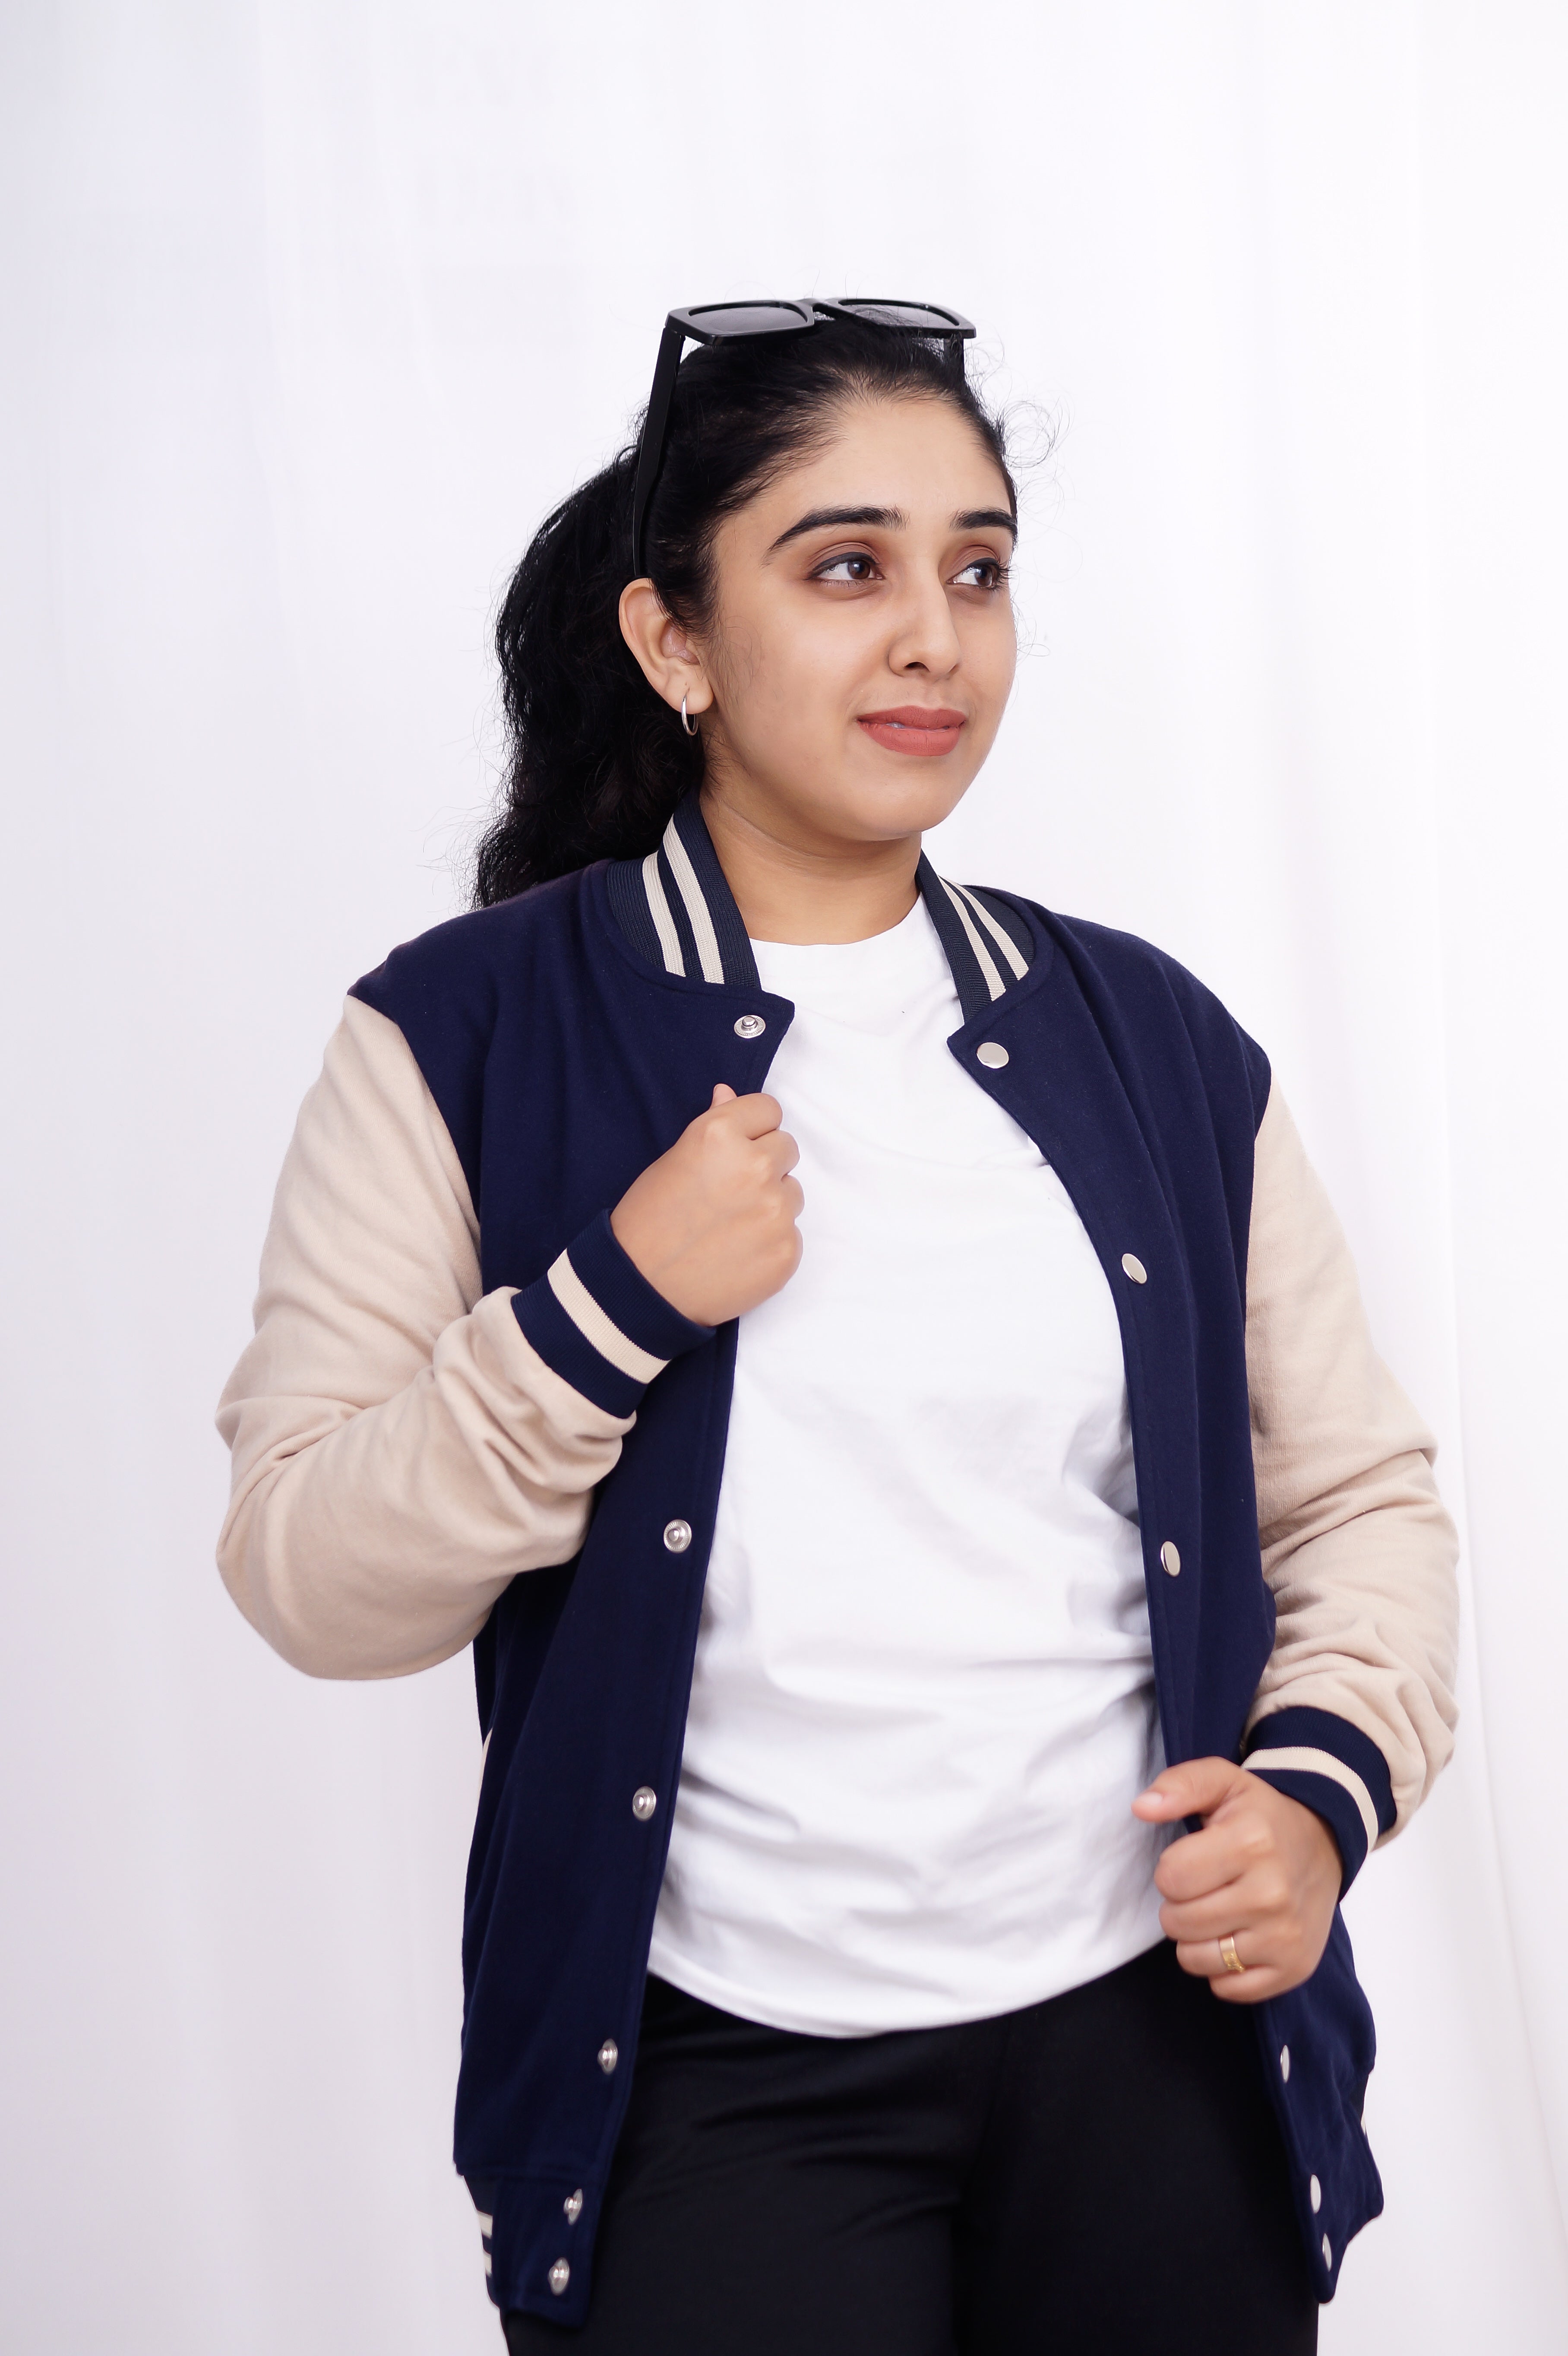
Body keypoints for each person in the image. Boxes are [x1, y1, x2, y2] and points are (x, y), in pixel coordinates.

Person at [216, 300, 1459, 2355]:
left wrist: (1314, 1792)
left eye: (977, 568)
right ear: (671, 639)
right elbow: (305, 1574)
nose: (933, 639)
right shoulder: (456, 1032)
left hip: (1151, 2045)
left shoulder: (1147, 1035)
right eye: (844, 565)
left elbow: (1363, 1496)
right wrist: (607, 1303)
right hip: (714, 2086)